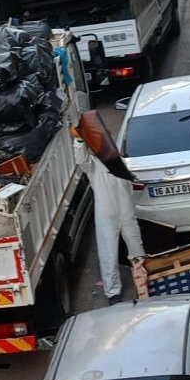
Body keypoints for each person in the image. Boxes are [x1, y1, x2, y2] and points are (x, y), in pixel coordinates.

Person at [72, 131, 146, 305]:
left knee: (137, 249)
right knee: (108, 254)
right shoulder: (94, 166)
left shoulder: (120, 164)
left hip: (126, 214)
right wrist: (79, 140)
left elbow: (129, 188)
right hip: (107, 216)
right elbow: (81, 160)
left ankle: (144, 283)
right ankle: (113, 292)